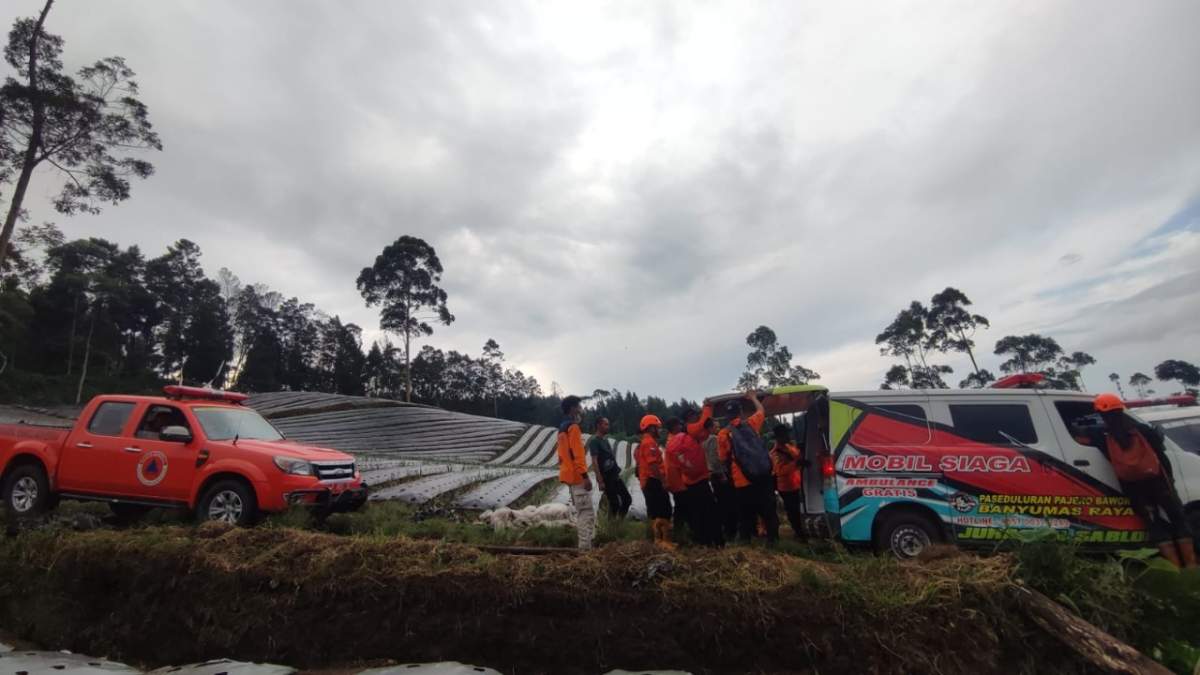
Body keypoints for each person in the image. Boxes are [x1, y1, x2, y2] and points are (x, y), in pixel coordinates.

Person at [1074, 393, 1195, 568]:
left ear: (1101, 414)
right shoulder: (1142, 430)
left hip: (1134, 488)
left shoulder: (1101, 434)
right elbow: (1160, 453)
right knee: (1178, 520)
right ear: (1121, 409)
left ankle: (1174, 566)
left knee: (1154, 525)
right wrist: (1170, 478)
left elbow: (1078, 437)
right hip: (1159, 481)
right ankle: (1191, 565)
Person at [717, 390, 779, 544]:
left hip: (741, 481)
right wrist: (752, 397)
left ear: (727, 416)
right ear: (741, 412)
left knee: (745, 514)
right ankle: (773, 541)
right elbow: (761, 410)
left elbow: (723, 458)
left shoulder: (723, 434)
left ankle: (746, 543)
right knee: (768, 511)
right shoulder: (751, 424)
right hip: (762, 476)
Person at [666, 416, 721, 546]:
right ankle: (716, 542)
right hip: (698, 482)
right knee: (710, 513)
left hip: (687, 483)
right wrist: (707, 407)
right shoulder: (689, 439)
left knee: (696, 515)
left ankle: (702, 542)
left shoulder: (671, 443)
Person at [555, 395, 594, 551]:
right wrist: (585, 476)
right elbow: (577, 455)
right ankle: (585, 550)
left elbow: (561, 455)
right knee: (586, 513)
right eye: (578, 406)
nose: (580, 409)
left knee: (580, 512)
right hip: (577, 477)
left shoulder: (562, 429)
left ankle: (585, 547)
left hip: (569, 476)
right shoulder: (573, 428)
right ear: (572, 409)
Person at [636, 414, 674, 549]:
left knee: (657, 511)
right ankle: (663, 542)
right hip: (653, 481)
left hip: (650, 481)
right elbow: (653, 466)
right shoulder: (649, 443)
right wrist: (663, 481)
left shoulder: (647, 442)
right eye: (657, 427)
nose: (659, 430)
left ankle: (660, 541)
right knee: (663, 510)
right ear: (651, 428)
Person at [587, 417, 631, 519]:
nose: (608, 427)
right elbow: (594, 461)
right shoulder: (594, 441)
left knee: (627, 499)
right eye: (606, 424)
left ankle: (619, 523)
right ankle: (611, 527)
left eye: (608, 424)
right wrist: (600, 480)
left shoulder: (605, 440)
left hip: (615, 475)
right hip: (606, 478)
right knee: (614, 503)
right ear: (598, 425)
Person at [771, 424, 806, 541]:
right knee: (793, 512)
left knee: (799, 510)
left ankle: (801, 531)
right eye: (785, 434)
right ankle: (799, 533)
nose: (788, 436)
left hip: (797, 483)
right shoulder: (775, 453)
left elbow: (797, 457)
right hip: (787, 488)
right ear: (779, 437)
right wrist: (796, 464)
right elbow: (779, 471)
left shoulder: (789, 447)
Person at [663, 417, 689, 531]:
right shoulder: (674, 441)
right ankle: (679, 531)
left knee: (681, 505)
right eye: (679, 425)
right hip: (677, 480)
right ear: (674, 427)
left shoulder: (672, 439)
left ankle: (680, 530)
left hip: (676, 479)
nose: (681, 427)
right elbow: (682, 460)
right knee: (681, 506)